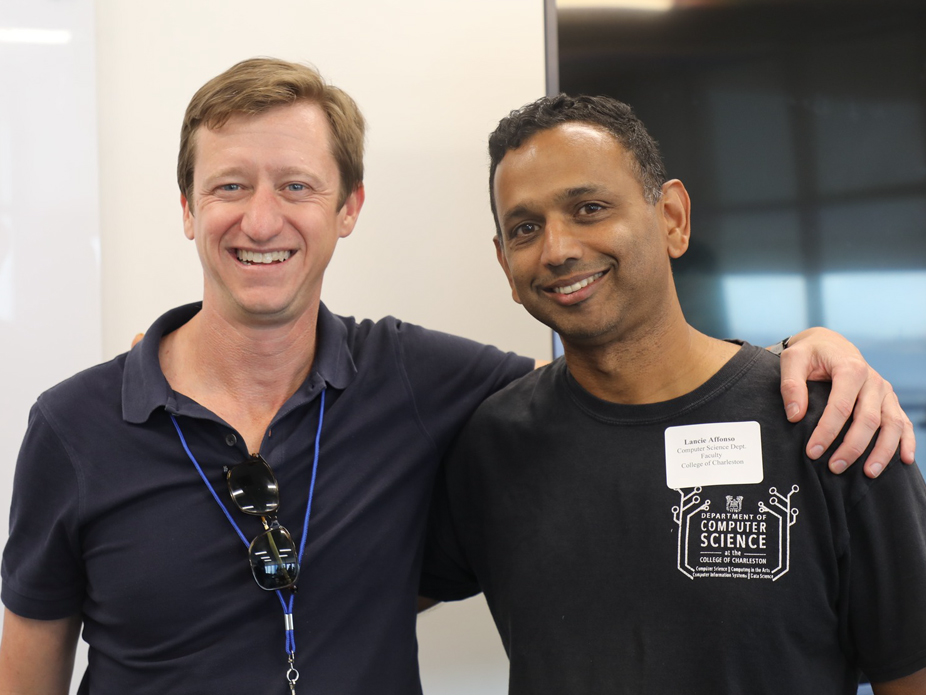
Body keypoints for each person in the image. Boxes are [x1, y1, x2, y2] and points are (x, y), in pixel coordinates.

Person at [0, 59, 913, 695]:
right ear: (189, 208)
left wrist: (809, 348)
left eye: (297, 185)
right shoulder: (79, 424)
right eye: (230, 186)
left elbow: (637, 387)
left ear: (348, 206)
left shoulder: (424, 386)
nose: (261, 218)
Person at [420, 94, 926, 694]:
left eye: (589, 207)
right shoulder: (491, 443)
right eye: (526, 228)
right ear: (506, 265)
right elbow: (353, 600)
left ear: (673, 219)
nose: (557, 250)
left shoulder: (832, 426)